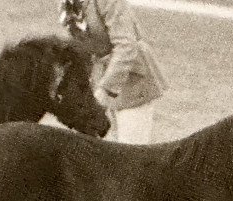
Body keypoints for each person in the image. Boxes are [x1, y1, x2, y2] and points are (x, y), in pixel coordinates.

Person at [58, 0, 167, 144]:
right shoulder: (68, 2)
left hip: (131, 78)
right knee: (108, 152)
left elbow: (126, 45)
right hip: (100, 77)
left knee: (131, 154)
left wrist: (105, 89)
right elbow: (78, 44)